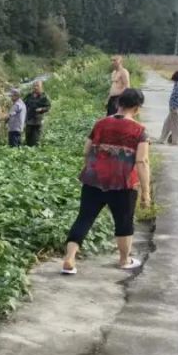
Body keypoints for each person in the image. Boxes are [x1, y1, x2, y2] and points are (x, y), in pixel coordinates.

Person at [62, 88, 151, 275]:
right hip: (123, 183)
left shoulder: (101, 124)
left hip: (94, 180)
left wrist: (90, 167)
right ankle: (124, 260)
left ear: (119, 103)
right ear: (137, 108)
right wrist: (146, 193)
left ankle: (70, 258)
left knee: (84, 218)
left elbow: (86, 150)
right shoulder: (139, 131)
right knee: (124, 221)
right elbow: (141, 161)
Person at [158, 71, 178, 146]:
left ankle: (176, 141)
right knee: (167, 123)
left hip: (175, 108)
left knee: (175, 125)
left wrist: (174, 108)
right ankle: (162, 139)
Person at [23, 81, 51, 146]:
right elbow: (23, 103)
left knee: (35, 140)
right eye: (34, 86)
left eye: (37, 86)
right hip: (29, 120)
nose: (35, 87)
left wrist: (41, 109)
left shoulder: (44, 96)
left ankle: (35, 151)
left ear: (41, 87)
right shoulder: (29, 95)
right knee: (28, 138)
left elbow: (48, 107)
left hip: (37, 121)